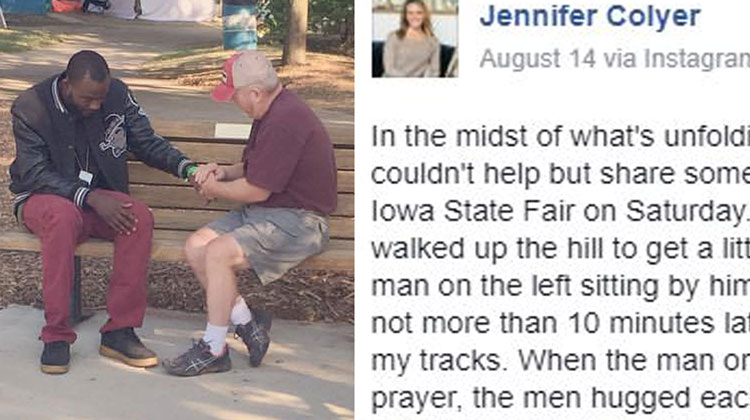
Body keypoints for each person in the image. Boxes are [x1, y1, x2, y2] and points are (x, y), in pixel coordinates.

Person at [8, 50, 198, 374]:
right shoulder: (31, 107)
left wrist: (187, 168)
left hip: (96, 200)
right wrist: (90, 196)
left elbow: (146, 141)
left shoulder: (117, 95)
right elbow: (35, 172)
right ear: (67, 85)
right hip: (44, 198)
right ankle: (56, 335)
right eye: (88, 99)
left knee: (138, 218)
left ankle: (119, 332)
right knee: (63, 217)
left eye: (101, 98)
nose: (96, 106)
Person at [162, 51, 337, 376]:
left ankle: (214, 348)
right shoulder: (272, 111)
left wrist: (214, 190)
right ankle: (247, 324)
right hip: (268, 212)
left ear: (254, 92)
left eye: (234, 95)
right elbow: (258, 167)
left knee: (217, 253)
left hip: (301, 221)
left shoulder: (285, 121)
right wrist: (223, 173)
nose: (232, 102)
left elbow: (257, 190)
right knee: (197, 246)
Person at [383, 0, 441, 77]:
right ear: (405, 16)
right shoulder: (394, 37)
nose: (415, 17)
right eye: (410, 13)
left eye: (419, 13)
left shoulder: (433, 42)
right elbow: (389, 69)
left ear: (424, 15)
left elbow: (435, 71)